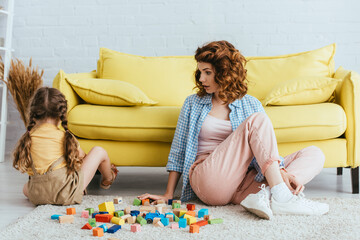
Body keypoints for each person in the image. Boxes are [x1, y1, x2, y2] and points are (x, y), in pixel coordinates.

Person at [139, 40, 329, 220]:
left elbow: (265, 149)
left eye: (207, 72)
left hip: (243, 182)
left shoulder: (251, 104)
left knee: (315, 154)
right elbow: (178, 151)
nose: (201, 78)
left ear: (224, 73)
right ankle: (282, 196)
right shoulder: (193, 104)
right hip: (209, 178)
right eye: (200, 72)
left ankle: (269, 194)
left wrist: (281, 172)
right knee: (257, 121)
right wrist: (168, 194)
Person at [13, 87, 118, 206]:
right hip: (66, 193)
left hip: (37, 195)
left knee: (25, 188)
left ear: (34, 114)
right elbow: (81, 158)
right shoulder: (64, 137)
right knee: (98, 151)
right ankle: (108, 178)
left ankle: (46, 195)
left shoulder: (27, 139)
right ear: (61, 114)